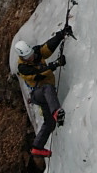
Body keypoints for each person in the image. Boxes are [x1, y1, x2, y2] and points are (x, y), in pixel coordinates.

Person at [14, 25, 72, 157]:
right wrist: (55, 64)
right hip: (38, 93)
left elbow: (47, 47)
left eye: (31, 54)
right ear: (22, 57)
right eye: (27, 56)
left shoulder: (36, 53)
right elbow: (39, 74)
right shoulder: (23, 68)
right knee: (47, 87)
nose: (31, 57)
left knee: (50, 123)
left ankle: (37, 147)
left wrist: (61, 34)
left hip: (47, 96)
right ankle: (56, 111)